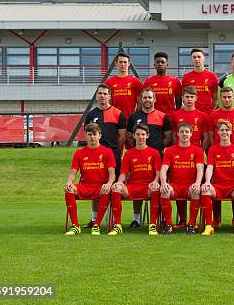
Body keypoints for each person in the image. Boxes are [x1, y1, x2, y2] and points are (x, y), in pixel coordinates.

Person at [126, 88, 172, 227]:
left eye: (149, 97)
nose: (147, 100)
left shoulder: (162, 116)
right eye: (145, 97)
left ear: (154, 99)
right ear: (141, 99)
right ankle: (136, 219)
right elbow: (129, 135)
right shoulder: (134, 117)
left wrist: (159, 148)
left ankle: (161, 218)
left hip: (158, 156)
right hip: (138, 155)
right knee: (136, 183)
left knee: (159, 187)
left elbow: (168, 135)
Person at [82, 83, 125, 229]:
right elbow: (87, 134)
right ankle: (95, 220)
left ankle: (112, 220)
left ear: (110, 96)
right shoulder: (91, 115)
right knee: (97, 186)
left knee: (112, 187)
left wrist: (115, 152)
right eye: (100, 93)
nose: (102, 96)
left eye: (105, 94)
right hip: (95, 156)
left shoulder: (118, 113)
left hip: (113, 154)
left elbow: (122, 137)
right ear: (96, 96)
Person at [109, 124, 162, 236]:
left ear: (147, 136)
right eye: (137, 134)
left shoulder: (154, 153)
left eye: (143, 134)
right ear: (133, 136)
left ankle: (152, 224)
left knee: (155, 189)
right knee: (116, 189)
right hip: (132, 186)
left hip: (148, 186)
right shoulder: (129, 154)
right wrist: (119, 182)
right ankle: (118, 225)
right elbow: (123, 173)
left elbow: (158, 173)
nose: (140, 137)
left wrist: (156, 181)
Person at [64, 123, 115, 236]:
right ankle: (75, 226)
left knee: (106, 190)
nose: (92, 137)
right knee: (68, 189)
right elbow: (73, 172)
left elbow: (112, 174)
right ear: (86, 136)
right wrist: (69, 181)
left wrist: (109, 184)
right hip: (85, 186)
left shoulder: (107, 152)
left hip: (100, 186)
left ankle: (96, 225)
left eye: (94, 134)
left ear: (100, 136)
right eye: (89, 134)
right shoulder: (79, 153)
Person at [200, 120, 234, 236]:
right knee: (205, 189)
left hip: (233, 187)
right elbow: (210, 168)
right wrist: (207, 181)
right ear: (218, 132)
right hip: (218, 187)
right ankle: (209, 225)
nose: (224, 132)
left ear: (231, 132)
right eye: (222, 130)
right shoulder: (212, 149)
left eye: (227, 130)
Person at [159, 122, 205, 235]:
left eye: (186, 132)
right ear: (177, 134)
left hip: (190, 185)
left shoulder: (197, 150)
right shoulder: (169, 150)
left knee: (195, 192)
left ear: (191, 134)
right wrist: (164, 183)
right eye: (182, 132)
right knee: (164, 192)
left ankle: (191, 224)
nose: (184, 134)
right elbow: (164, 169)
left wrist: (197, 183)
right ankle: (169, 225)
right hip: (175, 186)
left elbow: (200, 169)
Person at [104, 52, 142, 119]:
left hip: (131, 119)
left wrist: (136, 115)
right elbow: (108, 103)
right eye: (120, 62)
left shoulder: (136, 81)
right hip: (114, 119)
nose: (123, 64)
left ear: (129, 64)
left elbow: (140, 101)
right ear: (116, 63)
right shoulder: (109, 82)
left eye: (125, 62)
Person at [143, 51, 182, 116]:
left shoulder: (175, 81)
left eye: (162, 62)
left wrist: (176, 113)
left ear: (167, 65)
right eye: (157, 62)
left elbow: (178, 100)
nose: (160, 64)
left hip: (170, 116)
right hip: (152, 116)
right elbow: (144, 100)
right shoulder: (148, 81)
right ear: (154, 65)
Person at [182, 48, 218, 115]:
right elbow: (184, 97)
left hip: (208, 114)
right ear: (191, 59)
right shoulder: (186, 77)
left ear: (204, 58)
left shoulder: (212, 76)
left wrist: (210, 110)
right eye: (194, 57)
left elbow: (215, 100)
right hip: (191, 114)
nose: (197, 59)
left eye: (199, 57)